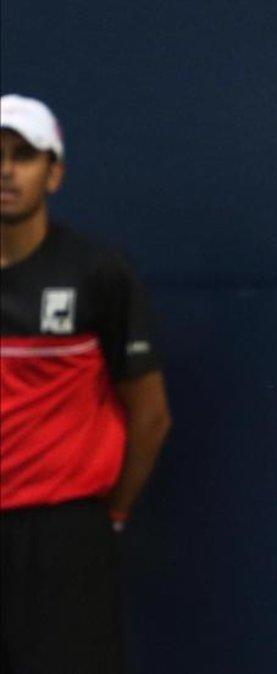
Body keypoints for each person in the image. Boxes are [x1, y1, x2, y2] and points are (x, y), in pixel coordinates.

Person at [0, 94, 172, 673]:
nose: (5, 170)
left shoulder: (97, 273)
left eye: (23, 156)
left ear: (55, 173)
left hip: (66, 539)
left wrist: (110, 514)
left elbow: (150, 415)